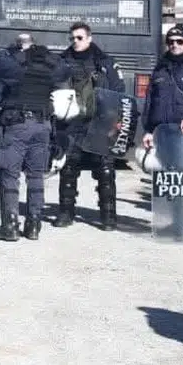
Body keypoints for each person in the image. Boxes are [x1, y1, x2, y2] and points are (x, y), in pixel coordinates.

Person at [0, 39, 68, 242]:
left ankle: (11, 225)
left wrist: (15, 54)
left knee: (10, 174)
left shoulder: (15, 64)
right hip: (43, 126)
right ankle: (33, 225)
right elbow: (65, 72)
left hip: (18, 125)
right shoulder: (53, 67)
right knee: (36, 176)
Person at [54, 21, 125, 230]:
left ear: (89, 38)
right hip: (72, 123)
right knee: (68, 169)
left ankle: (108, 216)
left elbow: (118, 90)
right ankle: (66, 213)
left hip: (100, 123)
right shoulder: (62, 62)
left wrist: (115, 121)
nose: (75, 42)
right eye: (72, 38)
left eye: (79, 38)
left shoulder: (105, 62)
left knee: (105, 171)